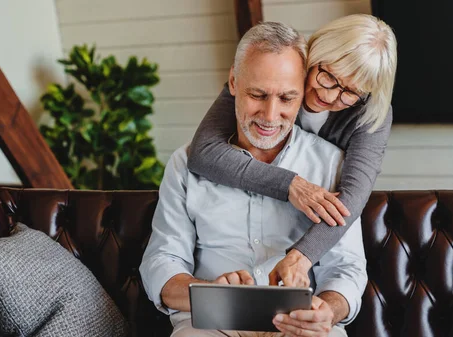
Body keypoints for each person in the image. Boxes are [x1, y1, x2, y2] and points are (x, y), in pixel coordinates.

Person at [140, 22, 367, 337]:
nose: (270, 116)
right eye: (258, 95)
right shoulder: (185, 163)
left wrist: (327, 309)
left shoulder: (331, 164)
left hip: (300, 328)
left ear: (304, 93)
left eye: (287, 98)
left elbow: (347, 270)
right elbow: (162, 263)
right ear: (233, 82)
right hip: (212, 326)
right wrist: (210, 291)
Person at [187, 14, 397, 288]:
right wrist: (291, 186)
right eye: (328, 77)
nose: (331, 97)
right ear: (315, 53)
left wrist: (301, 257)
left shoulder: (370, 114)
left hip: (317, 237)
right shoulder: (272, 78)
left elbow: (350, 200)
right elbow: (203, 152)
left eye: (350, 92)